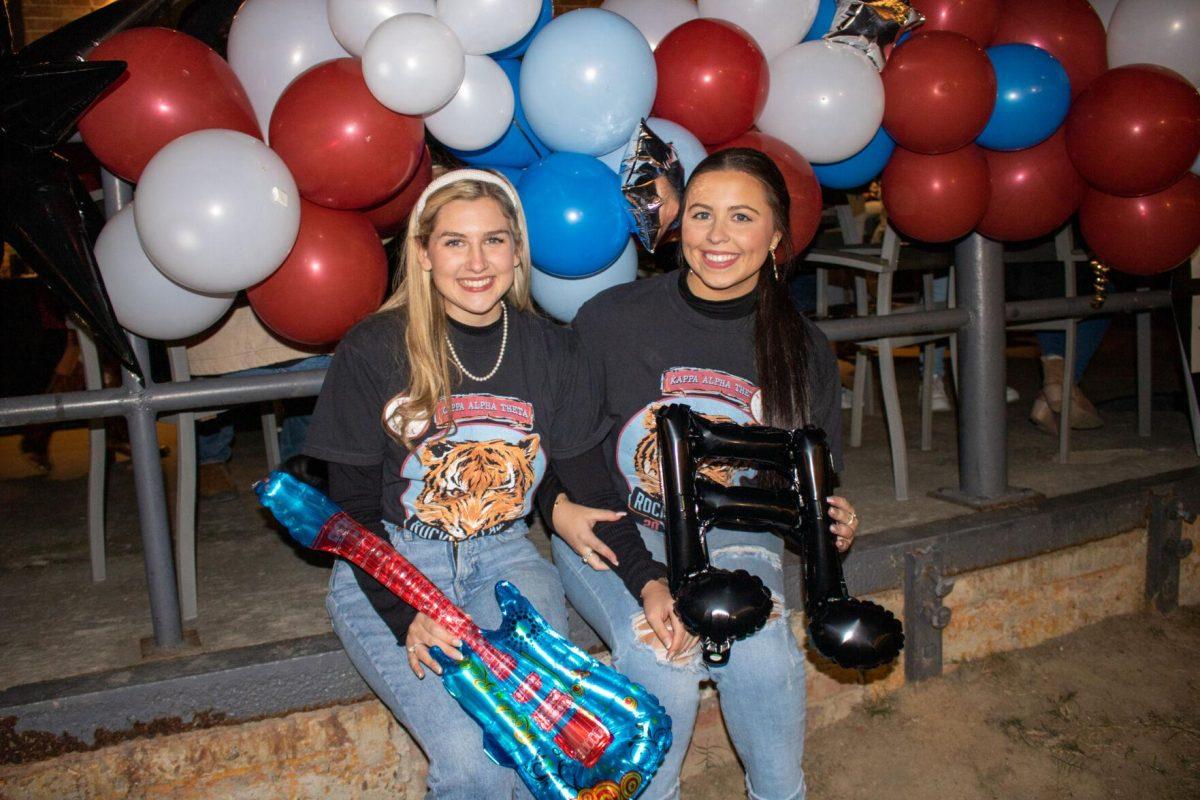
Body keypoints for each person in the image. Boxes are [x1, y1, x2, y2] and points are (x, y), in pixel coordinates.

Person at [301, 169, 666, 800]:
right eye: (454, 242)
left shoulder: (551, 350)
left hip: (505, 557)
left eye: (495, 241)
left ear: (518, 252)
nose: (477, 262)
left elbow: (595, 488)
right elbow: (351, 506)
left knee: (543, 746)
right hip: (393, 562)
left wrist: (648, 580)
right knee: (477, 762)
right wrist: (404, 610)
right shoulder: (374, 348)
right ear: (421, 253)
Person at [542, 149, 860, 800]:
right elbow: (553, 443)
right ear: (677, 223)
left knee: (765, 655)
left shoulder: (804, 349)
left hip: (737, 530)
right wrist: (553, 504)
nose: (716, 236)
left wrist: (831, 518)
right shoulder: (609, 319)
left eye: (741, 218)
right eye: (702, 215)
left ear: (776, 238)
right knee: (665, 657)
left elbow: (809, 489)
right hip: (613, 526)